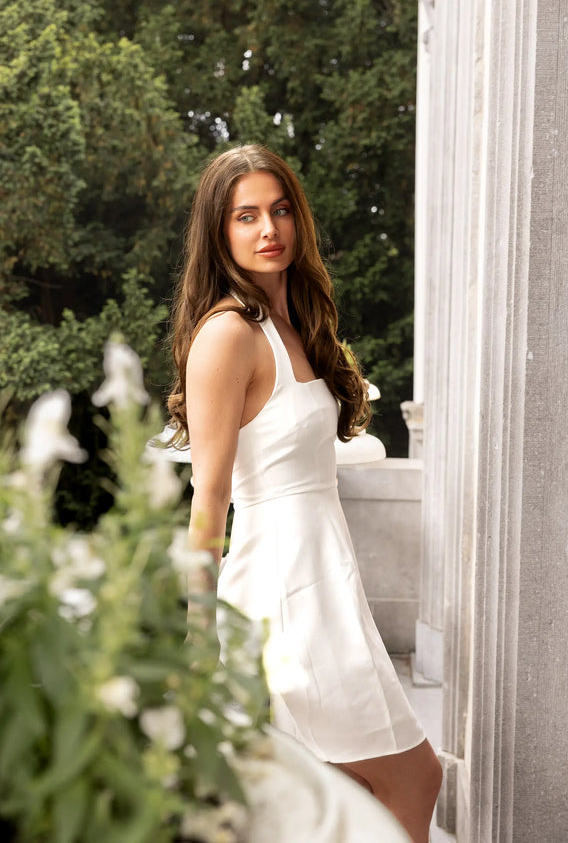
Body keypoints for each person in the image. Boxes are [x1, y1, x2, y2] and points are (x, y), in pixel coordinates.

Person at [168, 144, 442, 842]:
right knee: (410, 776)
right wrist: (199, 641)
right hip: (283, 598)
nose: (269, 229)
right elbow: (209, 502)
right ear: (219, 231)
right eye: (247, 215)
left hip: (326, 582)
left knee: (334, 793)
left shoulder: (291, 324)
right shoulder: (227, 335)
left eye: (281, 209)